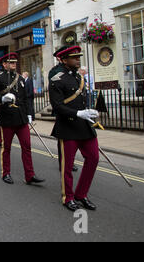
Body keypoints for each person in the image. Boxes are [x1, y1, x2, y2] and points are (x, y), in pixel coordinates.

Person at [49, 45, 99, 212]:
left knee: (93, 159)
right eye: (74, 57)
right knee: (67, 166)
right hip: (68, 127)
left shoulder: (79, 78)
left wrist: (89, 113)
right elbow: (57, 107)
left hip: (84, 127)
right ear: (64, 60)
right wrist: (78, 113)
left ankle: (81, 194)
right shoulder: (57, 79)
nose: (78, 59)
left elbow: (82, 100)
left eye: (79, 56)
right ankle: (68, 197)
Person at [0, 52, 45, 186]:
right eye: (11, 62)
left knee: (27, 147)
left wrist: (30, 114)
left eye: (15, 62)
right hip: (7, 118)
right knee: (6, 147)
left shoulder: (20, 79)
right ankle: (6, 173)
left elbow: (26, 99)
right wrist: (2, 98)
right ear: (4, 64)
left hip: (21, 118)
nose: (14, 64)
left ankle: (29, 175)